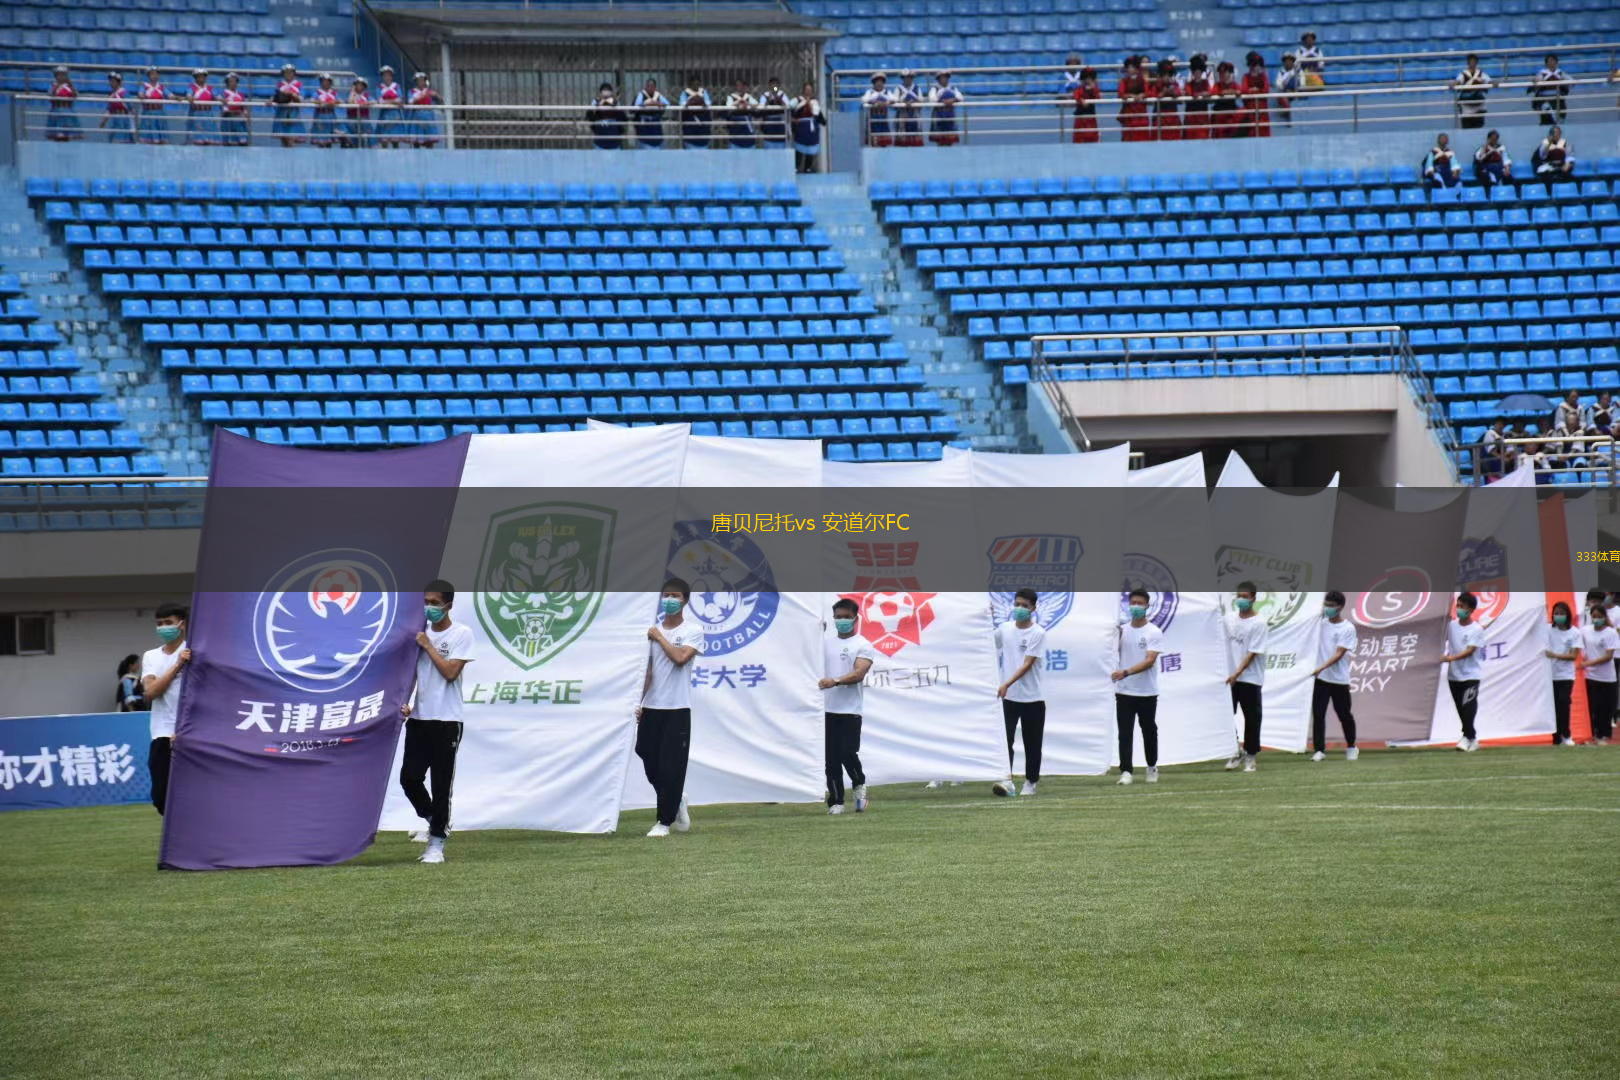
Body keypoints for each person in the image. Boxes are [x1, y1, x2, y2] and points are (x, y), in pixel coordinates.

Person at [400, 582, 474, 864]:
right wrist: (406, 701)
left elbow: (450, 673)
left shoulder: (461, 634)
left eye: (434, 602)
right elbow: (410, 674)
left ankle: (436, 846)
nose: (428, 607)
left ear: (448, 605)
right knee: (409, 779)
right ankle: (434, 819)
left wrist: (428, 646)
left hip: (447, 721)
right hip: (419, 719)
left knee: (441, 784)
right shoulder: (418, 634)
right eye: (425, 601)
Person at [637, 578, 703, 838]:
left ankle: (663, 821)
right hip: (653, 707)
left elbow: (680, 659)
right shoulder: (652, 631)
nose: (669, 600)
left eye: (674, 596)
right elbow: (649, 673)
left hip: (677, 708)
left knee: (671, 766)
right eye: (665, 595)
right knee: (645, 753)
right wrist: (638, 702)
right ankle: (676, 799)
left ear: (685, 600)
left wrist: (659, 637)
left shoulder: (692, 630)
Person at [820, 598, 875, 815]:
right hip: (825, 709)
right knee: (830, 758)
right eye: (838, 617)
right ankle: (836, 801)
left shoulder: (863, 645)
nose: (842, 621)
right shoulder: (823, 643)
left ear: (855, 618)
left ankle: (859, 784)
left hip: (850, 710)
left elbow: (859, 673)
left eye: (846, 617)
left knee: (847, 752)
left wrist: (835, 681)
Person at [994, 588, 1047, 796]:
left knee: (1032, 742)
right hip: (1009, 698)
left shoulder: (1038, 633)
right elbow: (986, 644)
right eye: (1017, 604)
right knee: (1005, 740)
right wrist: (983, 617)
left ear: (1033, 608)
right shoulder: (1005, 629)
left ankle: (1031, 782)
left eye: (1025, 606)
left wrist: (1007, 682)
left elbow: (1027, 664)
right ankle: (1006, 779)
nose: (1020, 609)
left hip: (1032, 698)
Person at [140, 602, 190, 815]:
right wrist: (177, 665)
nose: (163, 628)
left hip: (190, 732)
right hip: (161, 733)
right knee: (161, 797)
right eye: (159, 624)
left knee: (193, 793)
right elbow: (151, 692)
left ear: (182, 624)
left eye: (168, 623)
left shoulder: (195, 651)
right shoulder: (151, 656)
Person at [1112, 587, 1163, 786]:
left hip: (1146, 692)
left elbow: (1149, 660)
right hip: (1124, 692)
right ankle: (1126, 771)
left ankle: (1151, 767)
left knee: (1148, 730)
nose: (1135, 607)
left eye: (1140, 603)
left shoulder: (1153, 632)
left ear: (1147, 606)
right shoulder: (1122, 630)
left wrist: (1125, 672)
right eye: (1133, 603)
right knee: (1125, 732)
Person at [1309, 590, 1359, 761]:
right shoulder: (1321, 623)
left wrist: (1320, 668)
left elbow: (1339, 654)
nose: (1327, 608)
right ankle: (1319, 750)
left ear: (1340, 607)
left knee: (1344, 714)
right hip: (1321, 680)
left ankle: (1351, 746)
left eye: (1331, 606)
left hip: (1339, 680)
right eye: (1326, 605)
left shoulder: (1347, 628)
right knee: (1318, 714)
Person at [1223, 581, 1268, 772]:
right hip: (1229, 678)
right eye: (1239, 596)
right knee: (1225, 716)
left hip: (1249, 677)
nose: (1241, 600)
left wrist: (1237, 673)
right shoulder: (1229, 618)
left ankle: (1250, 755)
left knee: (1252, 717)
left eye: (1245, 597)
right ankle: (1235, 750)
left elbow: (1252, 653)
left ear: (1253, 598)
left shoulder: (1259, 623)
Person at [1441, 592, 1486, 751]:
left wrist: (1450, 658)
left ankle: (1467, 737)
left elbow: (1470, 651)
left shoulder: (1477, 629)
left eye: (1463, 607)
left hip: (1470, 676)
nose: (1459, 609)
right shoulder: (1451, 625)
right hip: (1454, 676)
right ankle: (1471, 738)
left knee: (1468, 707)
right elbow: (1440, 638)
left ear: (1471, 609)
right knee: (1461, 708)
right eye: (1458, 606)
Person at [1581, 604, 1618, 745]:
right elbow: (1580, 648)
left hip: (1607, 678)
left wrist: (1588, 663)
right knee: (1593, 707)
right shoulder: (1585, 631)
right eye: (1594, 616)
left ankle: (1604, 735)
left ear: (1604, 617)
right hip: (1590, 677)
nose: (1596, 619)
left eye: (1599, 617)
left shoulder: (1610, 633)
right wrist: (1583, 659)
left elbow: (1608, 656)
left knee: (1606, 708)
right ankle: (1594, 735)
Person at [1545, 601, 1581, 745]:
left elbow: (1573, 655)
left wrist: (1555, 655)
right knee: (1553, 707)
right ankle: (1556, 737)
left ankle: (1566, 735)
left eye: (1561, 613)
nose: (1558, 616)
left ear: (1568, 615)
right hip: (1549, 675)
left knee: (1563, 704)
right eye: (1556, 613)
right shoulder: (1547, 629)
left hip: (1566, 675)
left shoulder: (1574, 633)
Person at [1117, 56, 1152, 142]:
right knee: (1128, 136)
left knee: (1142, 136)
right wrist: (1130, 96)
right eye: (1128, 67)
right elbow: (1120, 94)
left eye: (1132, 67)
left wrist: (1142, 95)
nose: (1129, 69)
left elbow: (1148, 92)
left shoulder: (1142, 80)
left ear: (1136, 68)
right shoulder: (1124, 81)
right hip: (1129, 112)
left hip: (1141, 113)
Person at [1452, 54, 1492, 129]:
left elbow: (1489, 81)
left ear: (1477, 62)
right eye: (1470, 61)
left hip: (1478, 104)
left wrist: (1494, 83)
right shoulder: (1463, 74)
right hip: (1466, 105)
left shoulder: (1481, 73)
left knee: (1479, 126)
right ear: (1467, 63)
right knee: (1466, 127)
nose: (1472, 63)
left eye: (1474, 61)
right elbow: (1458, 81)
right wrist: (1453, 84)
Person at [791, 81, 823, 173]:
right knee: (799, 147)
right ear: (803, 90)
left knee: (810, 148)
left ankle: (808, 167)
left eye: (810, 90)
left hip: (811, 128)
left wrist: (809, 103)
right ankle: (796, 167)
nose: (808, 91)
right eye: (807, 89)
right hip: (801, 127)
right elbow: (789, 107)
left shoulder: (815, 101)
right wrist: (793, 120)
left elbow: (815, 113)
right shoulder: (798, 100)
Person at [1530, 54, 1569, 126]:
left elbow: (1571, 81)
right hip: (1544, 97)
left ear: (1557, 62)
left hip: (1558, 96)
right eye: (1549, 61)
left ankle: (1559, 121)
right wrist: (1536, 80)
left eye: (1553, 61)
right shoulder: (1542, 73)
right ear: (1546, 63)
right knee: (1545, 108)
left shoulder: (1560, 73)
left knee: (1561, 113)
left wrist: (1563, 81)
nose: (1551, 63)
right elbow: (1536, 80)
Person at [928, 70, 964, 146]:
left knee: (950, 139)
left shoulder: (953, 88)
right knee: (939, 139)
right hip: (939, 116)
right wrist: (942, 101)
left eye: (946, 77)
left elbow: (960, 97)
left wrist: (953, 100)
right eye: (942, 78)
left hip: (949, 115)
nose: (944, 79)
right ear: (938, 79)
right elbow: (931, 99)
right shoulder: (935, 89)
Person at [271, 64, 303, 147]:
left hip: (293, 113)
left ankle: (293, 158)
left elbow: (301, 99)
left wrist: (292, 95)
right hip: (281, 112)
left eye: (290, 72)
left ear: (294, 73)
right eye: (286, 73)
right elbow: (275, 96)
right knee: (284, 138)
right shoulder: (280, 84)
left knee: (291, 138)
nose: (288, 74)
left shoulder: (298, 84)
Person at [1240, 51, 1271, 138]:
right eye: (1253, 65)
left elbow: (1266, 90)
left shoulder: (1263, 76)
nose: (1256, 67)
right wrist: (1257, 90)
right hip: (1250, 109)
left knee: (1264, 133)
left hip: (1262, 110)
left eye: (1258, 65)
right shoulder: (1245, 76)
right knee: (1251, 134)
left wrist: (1253, 90)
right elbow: (1244, 90)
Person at [46, 66, 80, 142]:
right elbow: (50, 95)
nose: (61, 77)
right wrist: (57, 85)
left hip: (68, 110)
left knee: (67, 134)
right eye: (59, 75)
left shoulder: (69, 86)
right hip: (56, 110)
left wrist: (71, 85)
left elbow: (75, 95)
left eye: (63, 75)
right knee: (57, 134)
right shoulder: (53, 85)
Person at [587, 82, 626, 150]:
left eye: (608, 90)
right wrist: (599, 104)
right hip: (599, 143)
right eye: (604, 90)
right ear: (600, 92)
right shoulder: (596, 101)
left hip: (615, 143)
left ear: (611, 92)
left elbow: (623, 117)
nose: (606, 92)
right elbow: (589, 114)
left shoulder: (615, 102)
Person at [99, 72, 135, 143]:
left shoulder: (124, 93)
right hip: (115, 119)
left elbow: (131, 108)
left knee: (124, 139)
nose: (111, 83)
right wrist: (103, 121)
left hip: (123, 120)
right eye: (110, 81)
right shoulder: (112, 94)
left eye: (113, 81)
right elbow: (109, 109)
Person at [1182, 54, 1212, 140]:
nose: (1197, 74)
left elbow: (1210, 92)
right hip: (1191, 118)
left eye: (1199, 72)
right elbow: (1191, 93)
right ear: (1192, 72)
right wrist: (1201, 94)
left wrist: (1202, 94)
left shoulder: (1205, 83)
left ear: (1202, 72)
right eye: (1195, 72)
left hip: (1202, 118)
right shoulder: (1188, 84)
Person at [182, 69, 215, 146]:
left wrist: (221, 99)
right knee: (196, 138)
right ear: (195, 78)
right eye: (199, 76)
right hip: (196, 113)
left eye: (203, 76)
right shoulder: (191, 87)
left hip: (208, 114)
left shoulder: (210, 88)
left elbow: (217, 96)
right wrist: (189, 97)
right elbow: (189, 94)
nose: (201, 78)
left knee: (209, 136)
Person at [633, 79, 669, 148]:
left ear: (655, 87)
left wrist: (656, 103)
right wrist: (647, 103)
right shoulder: (641, 94)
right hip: (644, 123)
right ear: (646, 86)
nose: (650, 88)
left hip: (656, 124)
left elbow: (667, 103)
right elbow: (637, 105)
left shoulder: (658, 95)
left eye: (652, 86)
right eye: (649, 86)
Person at [1211, 60, 1243, 138]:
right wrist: (1227, 92)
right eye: (1221, 73)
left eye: (1225, 72)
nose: (1222, 75)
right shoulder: (1217, 85)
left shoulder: (1234, 84)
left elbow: (1240, 91)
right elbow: (1214, 92)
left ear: (1230, 73)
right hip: (1219, 117)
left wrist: (1229, 91)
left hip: (1231, 117)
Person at [1152, 58, 1182, 141]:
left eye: (1169, 75)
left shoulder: (1174, 85)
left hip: (1173, 120)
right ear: (1160, 75)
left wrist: (1172, 92)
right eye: (1164, 75)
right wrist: (1163, 92)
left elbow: (1180, 99)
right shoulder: (1156, 86)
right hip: (1159, 120)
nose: (1167, 77)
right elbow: (1153, 98)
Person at [408, 72, 440, 147]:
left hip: (428, 118)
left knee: (429, 142)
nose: (421, 82)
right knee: (417, 142)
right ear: (416, 82)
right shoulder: (412, 91)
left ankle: (429, 158)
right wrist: (423, 95)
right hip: (417, 117)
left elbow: (440, 102)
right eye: (419, 80)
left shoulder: (429, 91)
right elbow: (410, 101)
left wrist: (437, 96)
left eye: (423, 80)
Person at [862, 72, 894, 147]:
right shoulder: (870, 92)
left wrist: (886, 103)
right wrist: (874, 102)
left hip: (883, 121)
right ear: (874, 83)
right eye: (877, 82)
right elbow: (864, 99)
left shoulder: (887, 92)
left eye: (881, 82)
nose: (879, 84)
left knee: (884, 143)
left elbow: (894, 99)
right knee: (873, 142)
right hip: (873, 121)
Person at [679, 77, 713, 149]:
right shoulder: (685, 93)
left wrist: (700, 100)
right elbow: (683, 104)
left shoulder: (703, 92)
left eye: (697, 84)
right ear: (690, 85)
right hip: (690, 125)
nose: (696, 86)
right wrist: (692, 100)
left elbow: (708, 103)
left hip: (703, 124)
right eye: (694, 84)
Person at [138, 67, 169, 145]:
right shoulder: (144, 86)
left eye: (156, 74)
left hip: (159, 113)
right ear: (148, 75)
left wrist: (178, 98)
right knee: (147, 139)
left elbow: (169, 95)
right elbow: (140, 94)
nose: (154, 76)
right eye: (152, 74)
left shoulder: (161, 87)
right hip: (148, 112)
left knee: (161, 137)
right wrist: (142, 96)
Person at [757, 76, 790, 149]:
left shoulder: (782, 94)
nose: (774, 86)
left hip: (780, 124)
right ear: (769, 86)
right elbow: (762, 108)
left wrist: (779, 100)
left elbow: (787, 106)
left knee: (781, 145)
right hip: (769, 125)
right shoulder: (765, 95)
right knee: (769, 145)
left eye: (775, 84)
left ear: (779, 85)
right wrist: (768, 100)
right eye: (772, 84)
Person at [894, 70, 925, 147]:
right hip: (902, 117)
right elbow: (894, 101)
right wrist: (903, 103)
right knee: (902, 141)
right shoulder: (898, 89)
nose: (907, 79)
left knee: (915, 139)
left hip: (914, 116)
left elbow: (921, 101)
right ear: (903, 79)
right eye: (905, 78)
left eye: (909, 78)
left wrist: (914, 102)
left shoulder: (917, 88)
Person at [1072, 66, 1102, 143]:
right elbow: (1075, 96)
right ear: (1083, 79)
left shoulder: (1095, 89)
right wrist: (1081, 100)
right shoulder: (1079, 89)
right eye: (1086, 78)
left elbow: (1098, 97)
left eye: (1090, 78)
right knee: (1079, 139)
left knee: (1092, 138)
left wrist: (1093, 89)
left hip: (1091, 118)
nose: (1088, 80)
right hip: (1080, 118)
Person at [724, 78, 756, 149]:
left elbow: (756, 105)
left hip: (747, 125)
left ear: (744, 86)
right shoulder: (731, 97)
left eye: (741, 85)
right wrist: (737, 104)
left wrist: (747, 104)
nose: (739, 87)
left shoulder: (748, 96)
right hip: (736, 126)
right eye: (737, 85)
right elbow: (728, 106)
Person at [376, 66, 403, 148]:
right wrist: (394, 101)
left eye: (389, 75)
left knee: (395, 140)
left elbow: (400, 100)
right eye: (385, 75)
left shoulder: (397, 86)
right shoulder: (379, 87)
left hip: (395, 115)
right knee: (384, 141)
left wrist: (387, 101)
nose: (387, 77)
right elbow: (380, 101)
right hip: (384, 115)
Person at [219, 72, 249, 147]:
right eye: (231, 81)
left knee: (242, 141)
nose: (233, 83)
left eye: (235, 81)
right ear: (227, 82)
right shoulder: (223, 93)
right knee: (228, 141)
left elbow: (244, 106)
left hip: (239, 118)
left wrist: (245, 113)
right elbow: (221, 102)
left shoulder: (240, 94)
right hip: (228, 118)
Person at [309, 73, 338, 148]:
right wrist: (321, 102)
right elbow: (312, 100)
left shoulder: (333, 93)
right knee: (320, 140)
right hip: (320, 116)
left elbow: (339, 101)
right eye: (324, 81)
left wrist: (333, 102)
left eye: (328, 81)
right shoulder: (317, 92)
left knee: (329, 140)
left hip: (331, 116)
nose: (326, 83)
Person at [341, 76, 370, 149]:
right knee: (346, 133)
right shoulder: (351, 95)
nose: (359, 86)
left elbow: (374, 102)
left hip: (363, 120)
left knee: (365, 138)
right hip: (351, 120)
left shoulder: (366, 96)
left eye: (361, 85)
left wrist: (364, 103)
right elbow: (349, 103)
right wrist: (352, 91)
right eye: (357, 84)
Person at [1274, 53, 1301, 128]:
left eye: (1290, 60)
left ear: (1293, 62)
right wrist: (1285, 88)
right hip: (1285, 93)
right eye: (1286, 61)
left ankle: (1289, 113)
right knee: (1279, 94)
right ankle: (1289, 112)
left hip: (1297, 92)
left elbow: (1303, 83)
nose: (1288, 62)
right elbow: (1278, 84)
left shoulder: (1298, 71)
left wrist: (1295, 90)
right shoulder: (1281, 72)